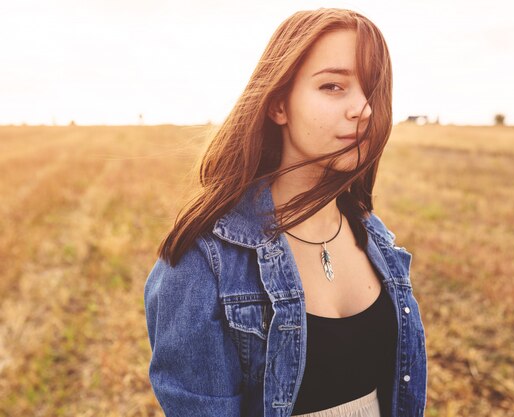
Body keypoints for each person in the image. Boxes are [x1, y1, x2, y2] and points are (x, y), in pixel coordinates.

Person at [143, 7, 427, 417]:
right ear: (278, 105)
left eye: (373, 91)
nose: (363, 109)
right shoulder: (203, 260)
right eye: (333, 86)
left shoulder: (374, 236)